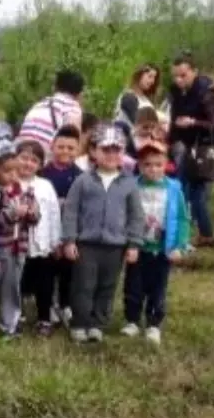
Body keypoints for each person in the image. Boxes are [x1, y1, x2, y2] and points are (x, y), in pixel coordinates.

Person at [61, 126, 145, 344]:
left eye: (116, 150)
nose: (111, 155)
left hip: (115, 246)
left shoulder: (129, 184)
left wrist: (134, 244)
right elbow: (70, 211)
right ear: (93, 152)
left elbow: (136, 216)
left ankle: (98, 324)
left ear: (123, 153)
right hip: (86, 245)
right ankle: (80, 323)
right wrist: (69, 239)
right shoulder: (83, 181)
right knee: (83, 285)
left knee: (107, 286)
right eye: (105, 149)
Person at [122, 141, 188, 346]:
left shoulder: (174, 189)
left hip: (162, 249)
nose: (153, 169)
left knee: (158, 287)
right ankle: (132, 320)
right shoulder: (132, 186)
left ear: (166, 164)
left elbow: (182, 218)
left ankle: (153, 323)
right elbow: (125, 215)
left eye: (158, 164)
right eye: (148, 164)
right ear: (140, 166)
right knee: (133, 285)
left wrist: (179, 245)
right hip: (138, 247)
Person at [167, 53, 214, 247]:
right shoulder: (176, 92)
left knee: (192, 192)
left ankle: (198, 235)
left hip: (206, 148)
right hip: (188, 147)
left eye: (183, 75)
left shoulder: (206, 92)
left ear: (194, 72)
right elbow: (175, 119)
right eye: (175, 75)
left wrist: (192, 122)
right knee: (187, 191)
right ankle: (204, 234)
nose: (179, 80)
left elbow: (213, 125)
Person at [0, 147, 40, 339]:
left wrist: (32, 213)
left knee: (11, 286)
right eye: (7, 171)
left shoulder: (25, 193)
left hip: (18, 248)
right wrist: (12, 214)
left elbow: (34, 220)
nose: (12, 176)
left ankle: (8, 324)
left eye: (16, 171)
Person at [14, 140, 62, 337]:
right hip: (16, 244)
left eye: (33, 160)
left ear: (40, 165)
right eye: (24, 158)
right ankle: (15, 316)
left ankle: (44, 318)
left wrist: (55, 241)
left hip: (41, 245)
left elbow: (53, 214)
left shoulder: (45, 186)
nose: (27, 163)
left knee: (45, 284)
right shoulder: (11, 183)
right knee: (17, 282)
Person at [39, 127, 84, 327]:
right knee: (48, 270)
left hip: (71, 231)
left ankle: (66, 304)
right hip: (46, 230)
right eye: (61, 147)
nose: (65, 151)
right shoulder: (42, 173)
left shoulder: (82, 176)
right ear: (52, 147)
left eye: (70, 148)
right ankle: (48, 305)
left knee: (69, 270)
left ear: (78, 150)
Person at [16, 70, 86, 155]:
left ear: (55, 88)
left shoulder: (40, 104)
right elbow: (73, 141)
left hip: (20, 152)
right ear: (80, 94)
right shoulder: (72, 107)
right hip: (42, 157)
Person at [113, 63, 162, 142]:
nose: (152, 81)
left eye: (154, 78)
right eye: (149, 76)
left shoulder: (146, 100)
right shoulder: (129, 97)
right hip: (129, 140)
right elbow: (138, 121)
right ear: (139, 76)